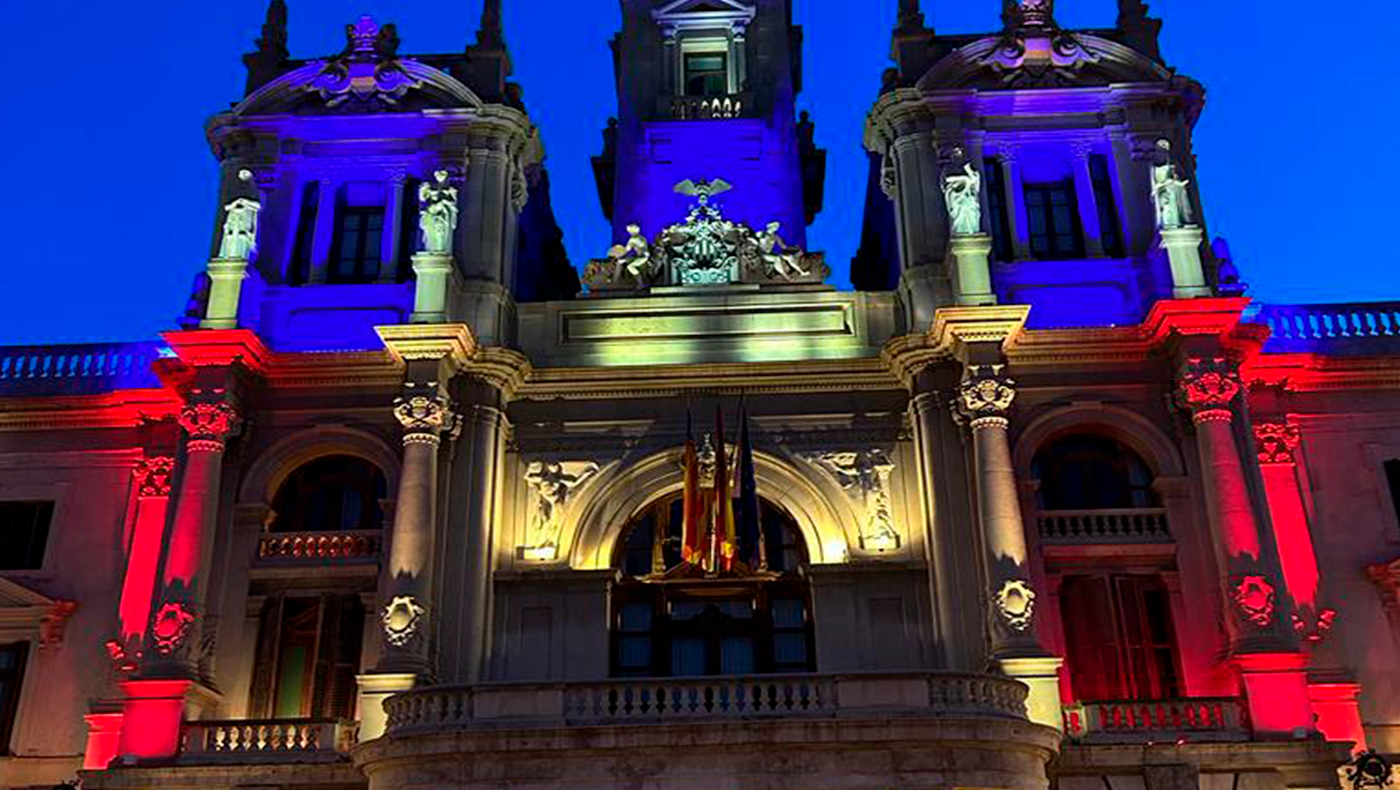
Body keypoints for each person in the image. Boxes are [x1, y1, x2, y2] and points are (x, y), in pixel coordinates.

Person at [418, 170, 458, 253]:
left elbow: (453, 202)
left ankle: (441, 249)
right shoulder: (429, 187)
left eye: (443, 174)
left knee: (442, 232)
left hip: (444, 213)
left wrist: (444, 201)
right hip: (431, 212)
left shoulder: (450, 189)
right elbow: (423, 200)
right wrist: (422, 190)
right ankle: (431, 248)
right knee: (430, 231)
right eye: (438, 174)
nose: (440, 176)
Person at [943, 162, 982, 236]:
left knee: (972, 216)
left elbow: (976, 187)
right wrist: (965, 179)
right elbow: (947, 180)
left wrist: (969, 177)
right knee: (959, 216)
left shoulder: (972, 169)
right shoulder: (949, 166)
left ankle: (972, 232)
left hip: (969, 198)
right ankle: (960, 233)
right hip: (958, 197)